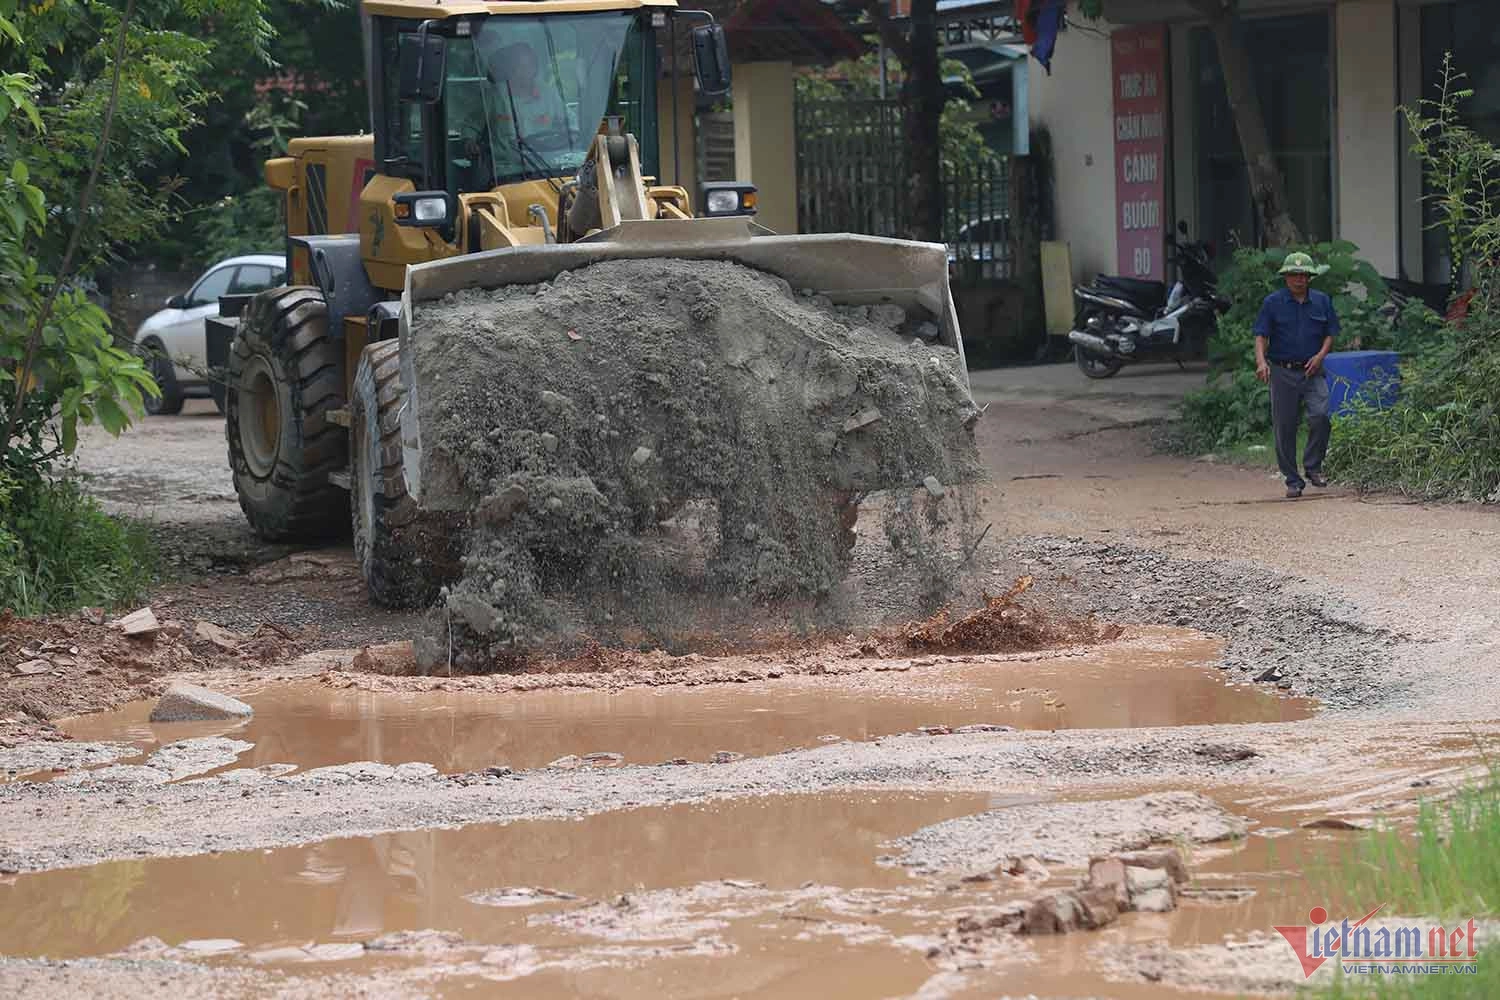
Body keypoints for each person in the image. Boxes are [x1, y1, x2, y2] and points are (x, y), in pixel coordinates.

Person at [1253, 251, 1339, 499]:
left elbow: (1330, 333)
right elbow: (1261, 335)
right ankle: (1292, 479)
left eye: (1303, 275)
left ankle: (1313, 466)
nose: (1298, 280)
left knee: (1321, 416)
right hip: (1282, 370)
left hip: (1313, 369)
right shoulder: (1273, 302)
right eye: (1293, 275)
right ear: (1285, 277)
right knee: (1285, 426)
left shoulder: (1322, 301)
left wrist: (1321, 356)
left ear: (1310, 278)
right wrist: (1261, 362)